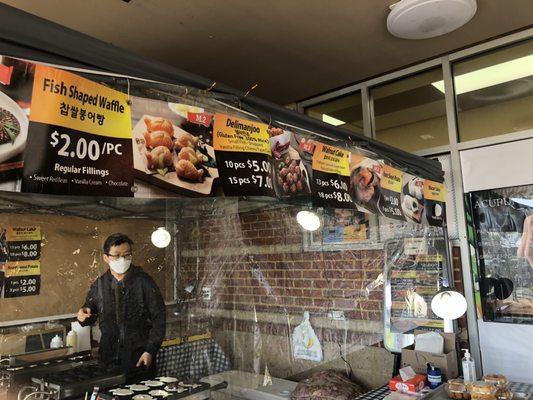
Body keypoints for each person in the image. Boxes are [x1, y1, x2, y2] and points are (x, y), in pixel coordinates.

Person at [77, 233, 166, 379]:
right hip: (108, 357)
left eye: (126, 255)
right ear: (106, 257)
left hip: (138, 357)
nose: (122, 259)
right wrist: (83, 316)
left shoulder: (143, 282)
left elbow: (159, 318)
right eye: (116, 255)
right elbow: (89, 314)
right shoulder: (100, 285)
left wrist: (150, 350)